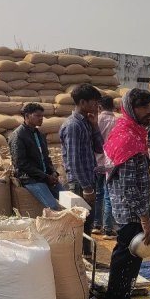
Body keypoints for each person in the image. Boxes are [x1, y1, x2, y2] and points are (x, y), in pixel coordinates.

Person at [103, 88, 150, 299]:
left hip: (131, 209)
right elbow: (128, 187)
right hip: (130, 211)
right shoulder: (127, 138)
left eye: (149, 107)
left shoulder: (134, 133)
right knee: (126, 257)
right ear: (130, 108)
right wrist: (144, 219)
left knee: (129, 256)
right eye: (143, 107)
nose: (149, 112)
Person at [59, 83, 104, 256]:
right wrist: (87, 188)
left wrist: (95, 126)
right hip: (80, 183)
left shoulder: (86, 123)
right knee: (80, 225)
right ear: (83, 102)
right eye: (94, 102)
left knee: (88, 223)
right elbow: (74, 160)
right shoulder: (73, 126)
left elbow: (100, 148)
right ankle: (80, 261)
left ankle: (86, 258)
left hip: (88, 179)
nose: (96, 106)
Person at [9, 102, 62, 209]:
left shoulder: (39, 134)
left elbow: (46, 158)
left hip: (45, 176)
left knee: (70, 199)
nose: (41, 118)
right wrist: (45, 177)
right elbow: (20, 163)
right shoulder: (18, 136)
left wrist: (53, 172)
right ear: (27, 116)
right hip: (30, 179)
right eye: (37, 116)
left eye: (42, 116)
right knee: (53, 206)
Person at [94, 95, 118, 239]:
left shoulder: (95, 120)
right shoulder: (117, 121)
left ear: (99, 107)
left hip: (96, 161)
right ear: (113, 107)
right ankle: (108, 229)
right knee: (109, 196)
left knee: (98, 194)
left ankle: (96, 225)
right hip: (111, 163)